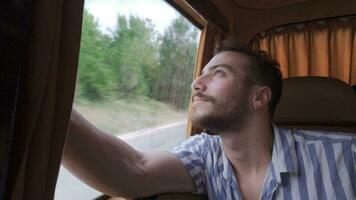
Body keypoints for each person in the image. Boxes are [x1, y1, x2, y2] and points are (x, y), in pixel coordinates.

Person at [63, 41, 356, 200]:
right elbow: (133, 170)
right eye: (202, 73)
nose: (196, 84)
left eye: (219, 73)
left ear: (259, 97)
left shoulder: (346, 156)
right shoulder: (204, 155)